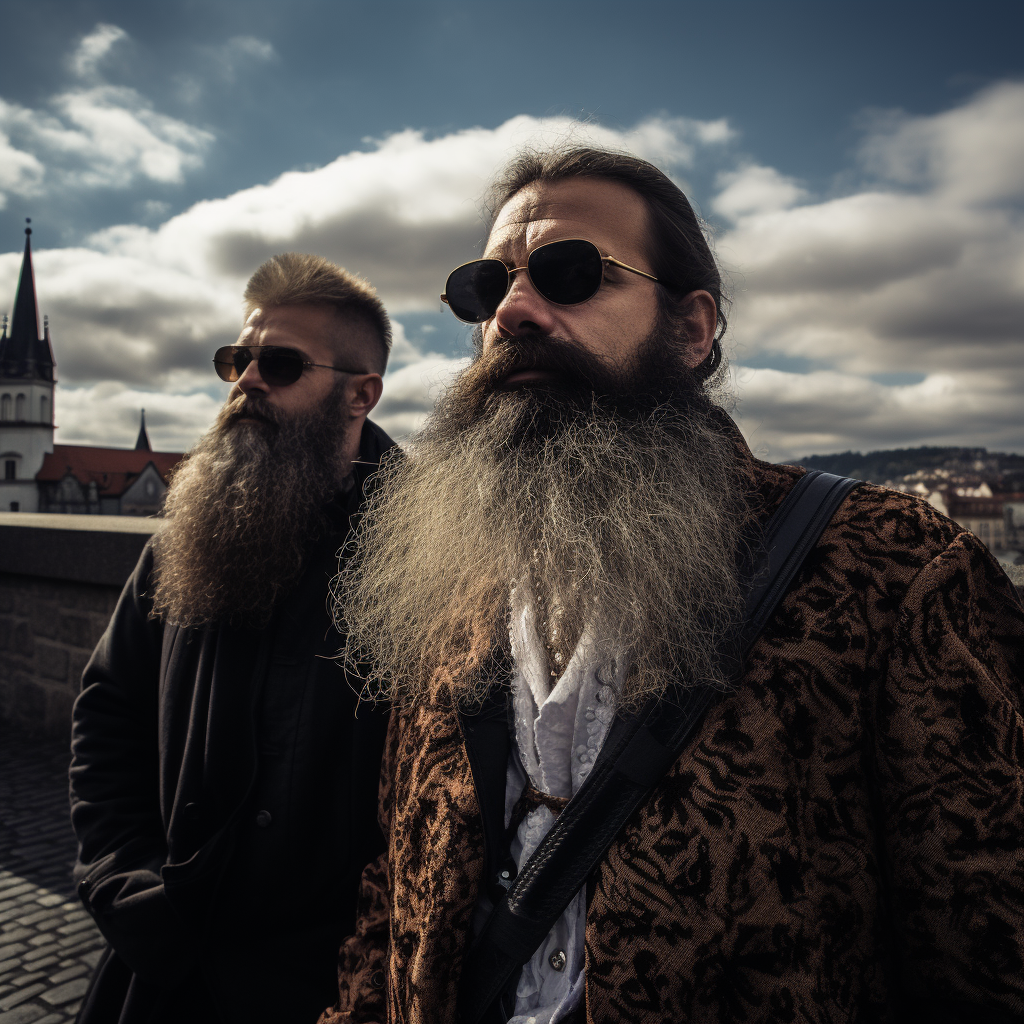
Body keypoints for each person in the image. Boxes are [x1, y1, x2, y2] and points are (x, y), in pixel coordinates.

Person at [325, 148, 1024, 1024]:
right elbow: (391, 900)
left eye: (570, 274)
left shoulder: (888, 568)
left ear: (692, 330)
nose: (510, 312)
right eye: (484, 286)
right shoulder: (451, 589)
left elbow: (994, 951)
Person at [70, 253, 397, 1024]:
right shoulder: (187, 532)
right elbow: (108, 707)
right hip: (167, 972)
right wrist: (129, 886)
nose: (248, 379)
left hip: (328, 995)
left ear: (362, 393)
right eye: (236, 359)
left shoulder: (425, 552)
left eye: (280, 364)